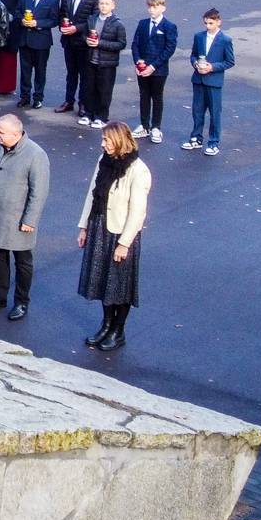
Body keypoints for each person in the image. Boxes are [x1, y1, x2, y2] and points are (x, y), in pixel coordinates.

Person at [77, 123, 148, 350]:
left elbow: (138, 212)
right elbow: (92, 193)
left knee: (120, 284)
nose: (102, 144)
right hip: (99, 225)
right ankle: (106, 326)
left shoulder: (138, 170)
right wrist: (84, 226)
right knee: (103, 280)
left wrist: (124, 243)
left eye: (107, 140)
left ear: (119, 140)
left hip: (121, 233)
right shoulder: (103, 160)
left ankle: (118, 331)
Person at [0, 114, 48, 320]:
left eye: (1, 132)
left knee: (23, 261)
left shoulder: (35, 155)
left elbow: (38, 192)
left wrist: (30, 220)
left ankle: (22, 302)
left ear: (16, 134)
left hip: (19, 219)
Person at [184, 9, 236, 155]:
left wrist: (211, 67)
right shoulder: (199, 37)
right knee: (197, 111)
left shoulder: (225, 40)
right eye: (206, 23)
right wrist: (196, 65)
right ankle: (196, 138)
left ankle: (214, 142)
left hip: (214, 82)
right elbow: (193, 55)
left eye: (211, 23)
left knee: (215, 113)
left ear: (218, 22)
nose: (208, 26)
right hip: (199, 80)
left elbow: (230, 61)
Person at [129, 0, 179, 144]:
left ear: (163, 8)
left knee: (157, 97)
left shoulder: (169, 26)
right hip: (142, 68)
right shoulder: (143, 24)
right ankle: (144, 125)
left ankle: (156, 127)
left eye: (155, 7)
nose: (152, 10)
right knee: (144, 95)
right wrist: (138, 63)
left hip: (158, 70)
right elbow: (135, 44)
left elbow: (169, 49)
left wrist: (153, 66)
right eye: (150, 7)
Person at [13, 0, 61, 109]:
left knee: (40, 71)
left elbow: (53, 20)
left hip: (41, 40)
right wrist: (22, 20)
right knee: (25, 70)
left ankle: (38, 97)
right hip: (25, 38)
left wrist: (37, 23)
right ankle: (25, 96)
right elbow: (17, 12)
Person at [54, 0, 99, 114]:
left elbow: (94, 21)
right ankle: (69, 101)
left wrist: (76, 28)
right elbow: (62, 14)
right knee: (71, 72)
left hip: (83, 42)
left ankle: (83, 103)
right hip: (69, 41)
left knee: (84, 74)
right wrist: (63, 26)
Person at [81, 0, 127, 128]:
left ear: (113, 6)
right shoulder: (91, 19)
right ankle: (87, 114)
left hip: (107, 63)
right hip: (91, 60)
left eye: (107, 4)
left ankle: (101, 117)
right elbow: (84, 35)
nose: (103, 6)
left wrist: (100, 43)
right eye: (101, 3)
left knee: (104, 90)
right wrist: (87, 40)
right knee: (88, 88)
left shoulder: (118, 24)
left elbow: (121, 44)